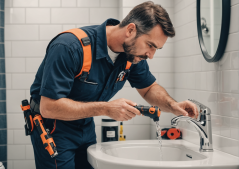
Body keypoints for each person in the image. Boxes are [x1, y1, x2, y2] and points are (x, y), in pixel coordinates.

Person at [29, 1, 199, 169]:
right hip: (52, 127)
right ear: (130, 30)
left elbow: (148, 89)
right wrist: (106, 108)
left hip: (85, 125)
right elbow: (49, 107)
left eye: (156, 49)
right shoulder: (69, 47)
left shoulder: (132, 55)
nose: (151, 55)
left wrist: (173, 105)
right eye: (150, 45)